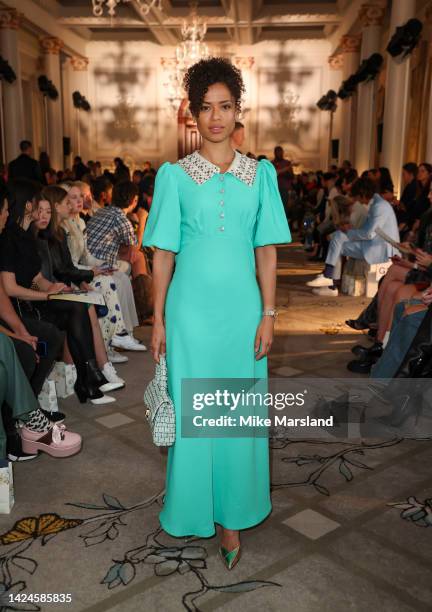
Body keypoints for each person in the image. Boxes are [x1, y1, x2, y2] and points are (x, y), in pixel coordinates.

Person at [142, 57, 291, 569]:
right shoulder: (174, 177)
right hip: (189, 314)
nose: (215, 118)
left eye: (225, 107)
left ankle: (232, 519)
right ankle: (193, 510)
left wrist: (269, 314)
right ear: (192, 114)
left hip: (242, 312)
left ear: (237, 111)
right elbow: (163, 253)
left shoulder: (261, 175)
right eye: (205, 108)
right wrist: (158, 318)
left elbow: (266, 250)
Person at [0, 179, 115, 405]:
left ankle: (88, 377)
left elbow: (36, 278)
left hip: (32, 300)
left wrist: (52, 288)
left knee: (78, 306)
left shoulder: (27, 236)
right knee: (66, 317)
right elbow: (10, 288)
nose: (43, 212)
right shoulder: (9, 238)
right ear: (27, 206)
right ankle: (87, 379)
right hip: (21, 305)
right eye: (37, 205)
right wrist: (47, 294)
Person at [307, 177, 399, 297]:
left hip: (380, 250)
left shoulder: (379, 206)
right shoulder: (377, 204)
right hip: (375, 245)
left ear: (363, 194)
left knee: (338, 240)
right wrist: (349, 231)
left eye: (358, 197)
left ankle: (330, 280)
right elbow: (368, 232)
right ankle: (329, 280)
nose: (358, 201)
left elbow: (368, 234)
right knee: (338, 238)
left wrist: (348, 232)